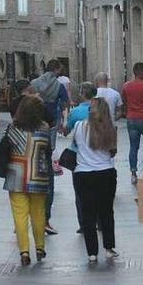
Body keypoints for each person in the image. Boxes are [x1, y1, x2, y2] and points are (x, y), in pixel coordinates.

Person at [3, 95, 53, 266]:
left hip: (16, 176)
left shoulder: (13, 128)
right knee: (38, 213)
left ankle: (24, 251)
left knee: (20, 215)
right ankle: (39, 247)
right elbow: (48, 150)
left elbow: (6, 146)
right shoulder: (44, 128)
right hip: (38, 176)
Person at [71, 97, 119, 262]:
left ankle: (92, 252)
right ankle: (109, 247)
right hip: (105, 172)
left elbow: (75, 145)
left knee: (88, 213)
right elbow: (113, 151)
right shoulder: (110, 128)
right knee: (106, 212)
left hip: (83, 173)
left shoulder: (78, 126)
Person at [30, 59, 69, 234]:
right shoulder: (59, 85)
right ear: (56, 69)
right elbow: (66, 102)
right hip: (50, 122)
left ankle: (25, 218)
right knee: (48, 179)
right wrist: (62, 119)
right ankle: (45, 219)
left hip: (33, 125)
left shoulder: (35, 83)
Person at [64, 82, 98, 234]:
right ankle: (100, 221)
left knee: (80, 192)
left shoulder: (76, 112)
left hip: (79, 156)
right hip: (99, 155)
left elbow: (65, 131)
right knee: (99, 191)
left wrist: (65, 119)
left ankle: (84, 223)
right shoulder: (101, 111)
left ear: (83, 94)